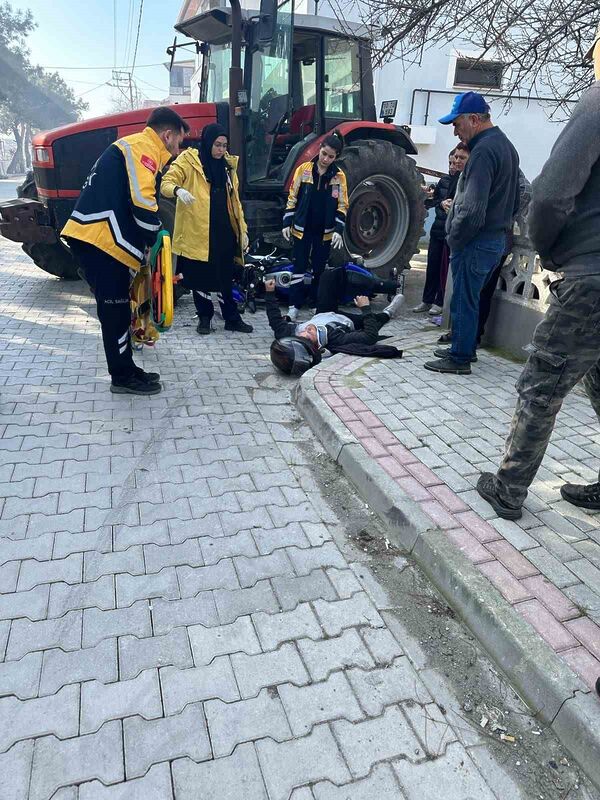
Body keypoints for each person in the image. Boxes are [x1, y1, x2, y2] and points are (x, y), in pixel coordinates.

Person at [476, 43, 600, 520]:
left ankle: (508, 488)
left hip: (590, 278)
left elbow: (549, 195)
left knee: (542, 384)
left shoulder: (596, 102)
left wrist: (548, 247)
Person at [62, 106, 189, 395]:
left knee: (119, 311)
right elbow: (142, 201)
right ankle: (121, 377)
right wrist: (158, 235)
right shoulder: (142, 147)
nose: (178, 150)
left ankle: (127, 369)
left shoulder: (136, 146)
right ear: (167, 135)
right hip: (98, 240)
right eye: (178, 142)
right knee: (115, 311)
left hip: (100, 240)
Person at [424, 91, 520, 375]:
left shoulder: (483, 152)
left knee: (465, 298)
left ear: (474, 119)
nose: (454, 130)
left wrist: (455, 237)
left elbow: (473, 208)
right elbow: (515, 199)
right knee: (470, 298)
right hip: (495, 238)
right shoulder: (505, 146)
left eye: (457, 124)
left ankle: (460, 358)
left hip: (477, 241)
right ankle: (462, 347)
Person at [160, 123, 252, 336]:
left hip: (224, 230)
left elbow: (235, 202)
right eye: (217, 145)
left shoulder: (228, 167)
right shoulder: (188, 161)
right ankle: (205, 318)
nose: (221, 149)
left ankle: (231, 318)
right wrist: (178, 190)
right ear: (208, 142)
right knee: (200, 276)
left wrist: (243, 230)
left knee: (225, 276)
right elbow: (166, 182)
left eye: (224, 145)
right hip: (198, 231)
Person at [266, 271, 405, 375]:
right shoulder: (336, 339)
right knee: (375, 320)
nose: (305, 330)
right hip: (347, 321)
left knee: (329, 275)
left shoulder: (290, 333)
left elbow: (275, 320)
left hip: (324, 312)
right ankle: (389, 310)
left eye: (301, 334)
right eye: (309, 336)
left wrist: (270, 292)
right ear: (317, 345)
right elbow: (370, 336)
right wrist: (365, 308)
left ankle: (345, 267)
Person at [282, 131, 348, 321]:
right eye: (324, 154)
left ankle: (315, 305)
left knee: (319, 268)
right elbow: (292, 197)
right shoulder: (303, 170)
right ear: (319, 149)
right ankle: (294, 305)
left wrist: (338, 230)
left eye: (331, 156)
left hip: (324, 232)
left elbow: (343, 204)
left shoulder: (339, 177)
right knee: (299, 267)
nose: (326, 159)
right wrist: (287, 222)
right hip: (302, 229)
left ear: (336, 157)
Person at [412, 144, 467, 315]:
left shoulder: (462, 181)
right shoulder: (443, 182)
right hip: (437, 231)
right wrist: (436, 200)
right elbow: (433, 202)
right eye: (451, 162)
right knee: (433, 268)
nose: (453, 165)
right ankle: (426, 300)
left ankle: (439, 301)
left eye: (457, 160)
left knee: (445, 270)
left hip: (450, 233)